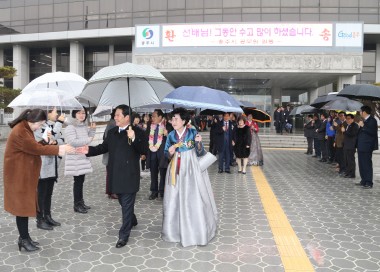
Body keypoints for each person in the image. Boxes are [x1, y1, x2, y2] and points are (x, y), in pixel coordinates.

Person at [3, 109, 74, 252]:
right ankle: (23, 239)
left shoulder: (25, 128)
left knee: (22, 207)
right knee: (21, 208)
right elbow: (34, 148)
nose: (40, 127)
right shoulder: (20, 131)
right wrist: (59, 148)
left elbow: (31, 146)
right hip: (18, 176)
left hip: (22, 174)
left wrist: (44, 141)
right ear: (33, 121)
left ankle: (25, 237)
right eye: (40, 124)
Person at [79, 104, 147, 248]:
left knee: (126, 205)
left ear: (127, 117)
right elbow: (104, 147)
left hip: (129, 174)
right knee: (123, 202)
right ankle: (132, 219)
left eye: (117, 115)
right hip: (115, 173)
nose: (115, 117)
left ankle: (123, 236)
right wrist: (88, 150)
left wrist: (134, 138)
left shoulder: (138, 132)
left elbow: (144, 150)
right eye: (115, 115)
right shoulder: (112, 132)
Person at [162, 107, 217, 247]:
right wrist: (170, 151)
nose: (173, 121)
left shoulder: (192, 132)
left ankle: (196, 230)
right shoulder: (170, 136)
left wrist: (198, 143)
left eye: (176, 119)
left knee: (193, 197)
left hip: (191, 167)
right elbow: (166, 153)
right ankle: (174, 231)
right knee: (174, 198)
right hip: (175, 168)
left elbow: (200, 153)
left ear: (184, 121)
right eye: (172, 119)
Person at [34, 108, 65, 230]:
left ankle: (47, 216)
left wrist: (55, 141)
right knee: (41, 194)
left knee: (49, 193)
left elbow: (60, 140)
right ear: (47, 113)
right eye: (54, 112)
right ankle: (39, 219)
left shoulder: (49, 125)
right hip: (42, 166)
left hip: (52, 165)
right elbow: (47, 139)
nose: (57, 114)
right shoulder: (38, 127)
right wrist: (59, 123)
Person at [64, 108, 96, 214]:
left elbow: (88, 137)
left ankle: (80, 202)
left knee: (81, 181)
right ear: (74, 114)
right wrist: (88, 140)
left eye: (83, 113)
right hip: (75, 158)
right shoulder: (70, 126)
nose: (82, 115)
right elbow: (73, 141)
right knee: (77, 182)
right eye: (79, 113)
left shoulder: (82, 126)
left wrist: (92, 130)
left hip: (82, 157)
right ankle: (77, 205)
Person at [146, 109, 172, 200]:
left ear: (160, 117)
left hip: (163, 153)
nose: (152, 118)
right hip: (152, 151)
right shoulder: (150, 125)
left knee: (163, 173)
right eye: (152, 116)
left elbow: (173, 140)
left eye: (154, 116)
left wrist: (167, 134)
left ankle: (162, 191)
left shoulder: (168, 125)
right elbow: (147, 138)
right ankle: (154, 191)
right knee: (153, 173)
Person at [356, 105, 379, 188]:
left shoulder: (372, 120)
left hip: (367, 146)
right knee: (361, 164)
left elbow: (372, 132)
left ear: (364, 112)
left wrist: (363, 126)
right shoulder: (364, 120)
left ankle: (369, 182)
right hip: (361, 145)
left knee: (367, 164)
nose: (360, 113)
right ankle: (363, 180)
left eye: (361, 111)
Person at [102, 108, 117, 199]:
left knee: (111, 173)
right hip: (110, 153)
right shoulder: (112, 124)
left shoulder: (112, 123)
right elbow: (107, 139)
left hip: (111, 153)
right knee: (111, 173)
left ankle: (111, 191)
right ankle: (112, 192)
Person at [342, 113, 359, 179]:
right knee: (346, 159)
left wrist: (345, 131)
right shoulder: (347, 125)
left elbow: (352, 134)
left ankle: (352, 174)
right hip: (346, 145)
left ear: (352, 119)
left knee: (350, 160)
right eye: (346, 119)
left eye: (349, 119)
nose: (347, 120)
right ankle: (347, 172)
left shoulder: (355, 125)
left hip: (351, 145)